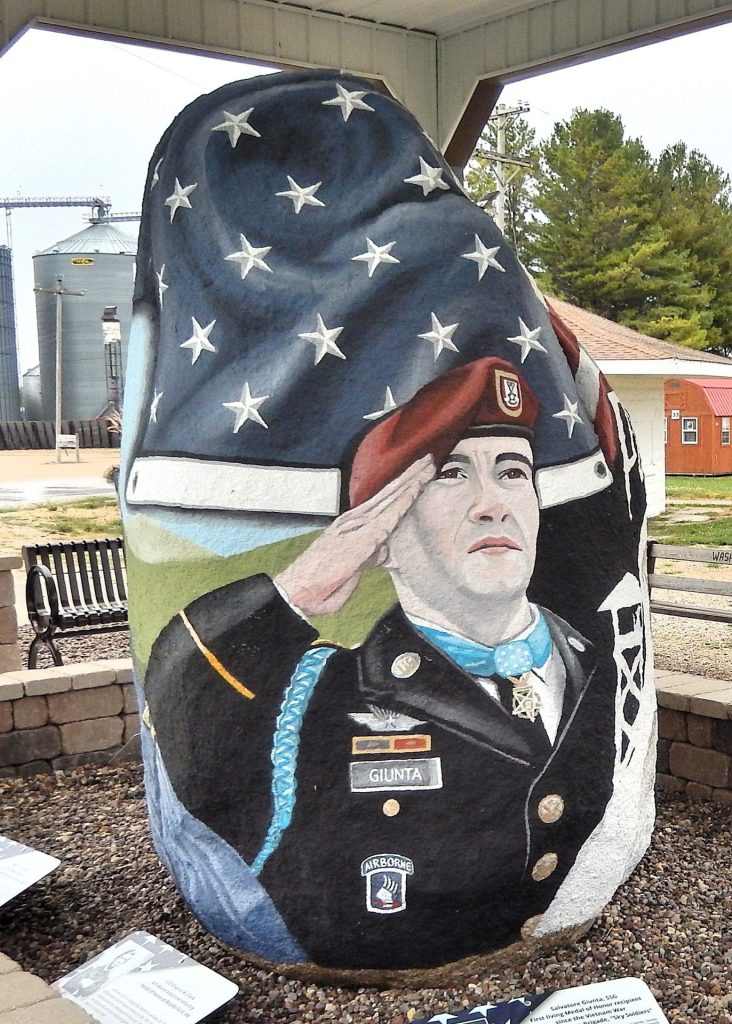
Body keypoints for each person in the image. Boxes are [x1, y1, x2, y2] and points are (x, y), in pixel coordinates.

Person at [144, 357, 615, 970]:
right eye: (449, 476)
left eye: (512, 472)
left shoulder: (600, 662)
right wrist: (299, 592)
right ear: (379, 535)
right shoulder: (318, 696)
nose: (492, 505)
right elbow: (182, 704)